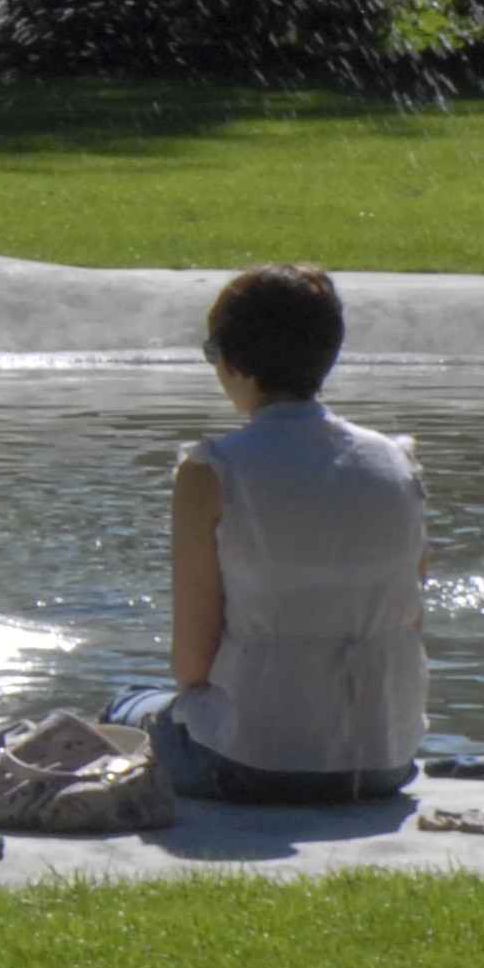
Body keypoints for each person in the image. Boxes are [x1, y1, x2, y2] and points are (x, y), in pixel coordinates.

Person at [149, 263, 425, 805]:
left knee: (130, 711)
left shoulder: (212, 470)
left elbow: (190, 665)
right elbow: (411, 614)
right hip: (384, 756)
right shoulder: (398, 462)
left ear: (231, 362)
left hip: (253, 761)